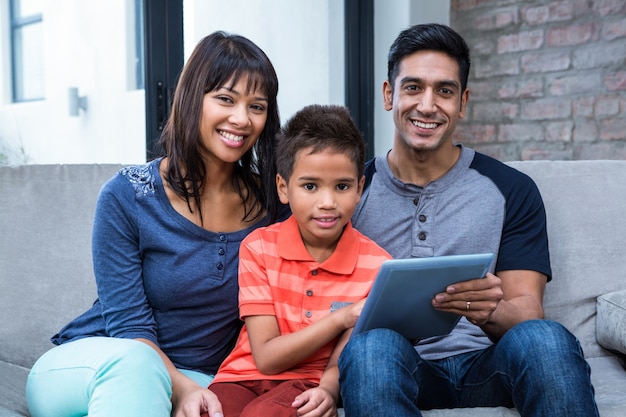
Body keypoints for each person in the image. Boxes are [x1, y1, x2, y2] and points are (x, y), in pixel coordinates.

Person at [337, 23, 599, 417]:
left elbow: (527, 310)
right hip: (395, 367)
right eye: (413, 88)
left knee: (545, 339)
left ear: (462, 102)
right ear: (389, 94)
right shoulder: (351, 191)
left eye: (444, 90)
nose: (427, 105)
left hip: (486, 365)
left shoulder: (510, 188)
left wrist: (489, 308)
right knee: (372, 347)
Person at [25, 31, 288, 417]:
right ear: (192, 98)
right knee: (137, 365)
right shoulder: (127, 195)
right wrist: (179, 388)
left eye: (257, 106)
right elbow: (128, 325)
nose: (241, 119)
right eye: (225, 99)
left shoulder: (271, 207)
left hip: (199, 378)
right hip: (98, 365)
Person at [205, 104, 392, 417]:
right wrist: (339, 318)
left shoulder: (377, 266)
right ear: (283, 188)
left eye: (342, 186)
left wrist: (329, 392)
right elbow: (265, 357)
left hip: (306, 383)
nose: (327, 203)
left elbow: (342, 358)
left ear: (360, 188)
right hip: (240, 378)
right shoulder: (259, 247)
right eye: (310, 186)